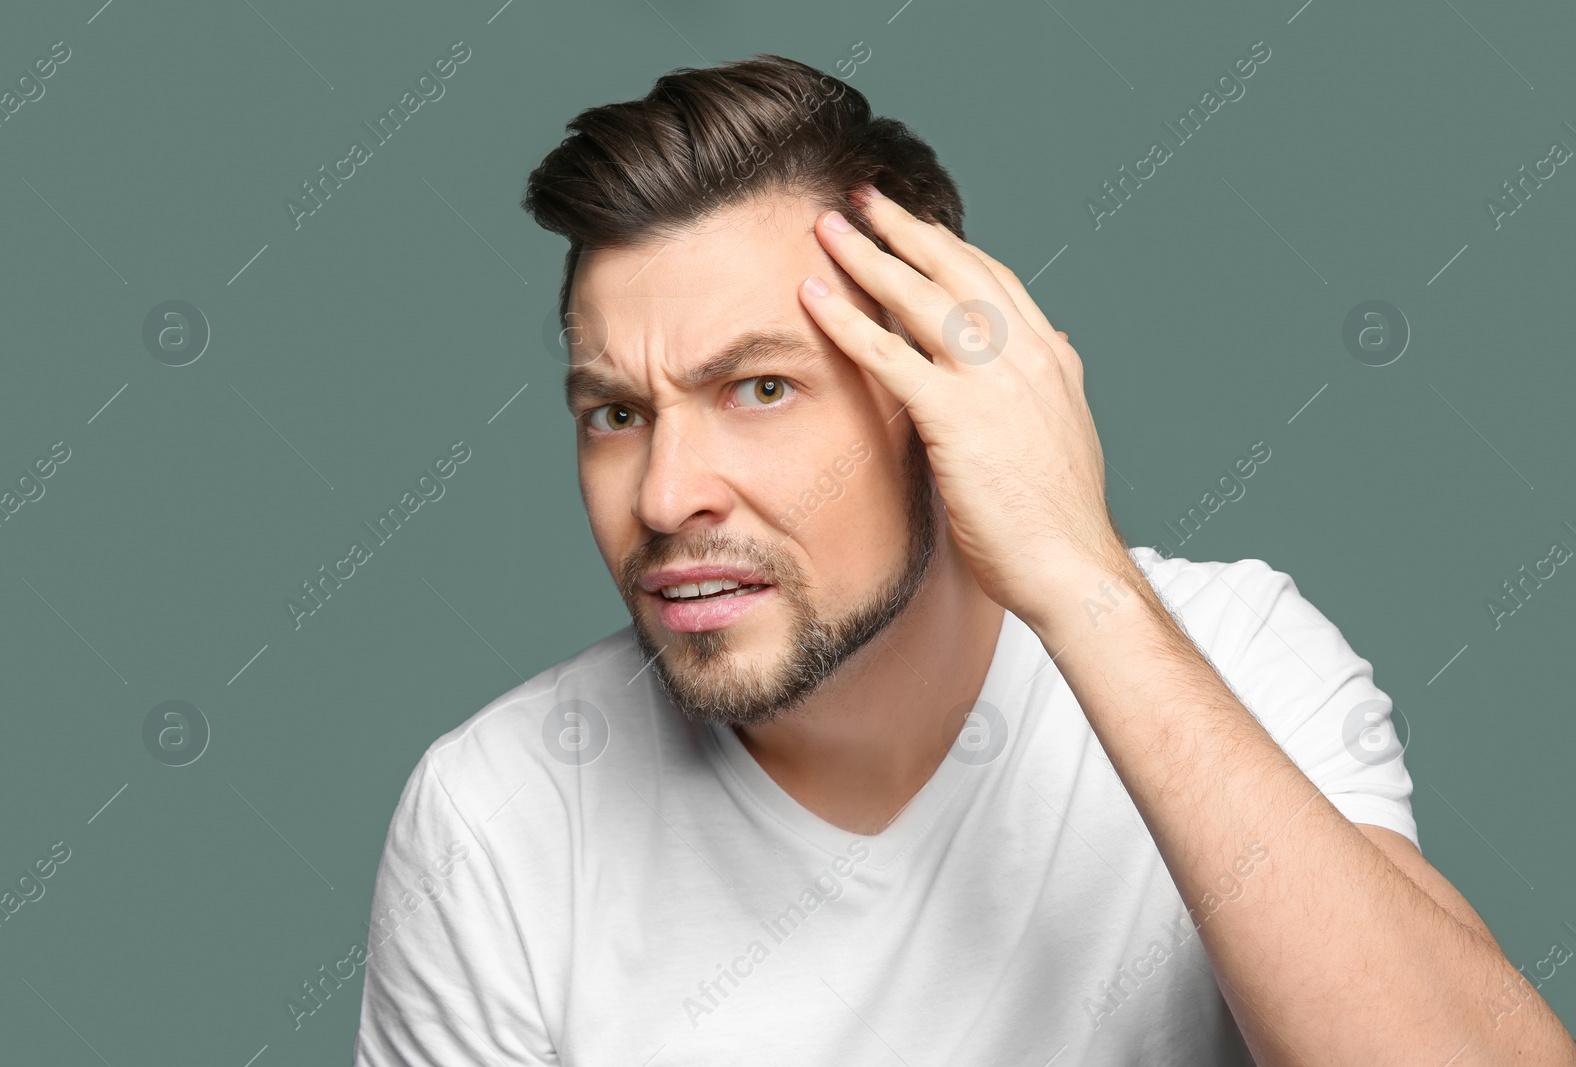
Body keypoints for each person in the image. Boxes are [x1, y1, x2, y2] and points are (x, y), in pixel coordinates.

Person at [351, 54, 1576, 1065]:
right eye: (615, 412)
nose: (666, 496)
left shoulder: (1234, 653)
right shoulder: (498, 814)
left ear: (942, 399)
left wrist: (1082, 581)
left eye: (762, 387)